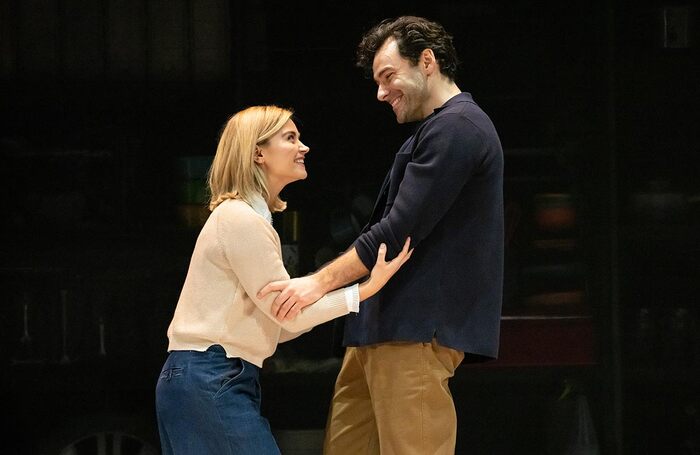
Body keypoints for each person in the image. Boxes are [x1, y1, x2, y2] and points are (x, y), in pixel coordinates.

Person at [259, 16, 504, 454]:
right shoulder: (436, 130)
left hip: (415, 329)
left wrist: (316, 283)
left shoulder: (458, 128)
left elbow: (396, 231)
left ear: (427, 61)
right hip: (379, 328)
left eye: (389, 76)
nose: (380, 92)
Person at [155, 105, 412, 455]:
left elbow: (282, 325)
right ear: (258, 153)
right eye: (290, 138)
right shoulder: (241, 219)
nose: (303, 147)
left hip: (208, 375)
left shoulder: (246, 219)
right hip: (211, 374)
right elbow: (287, 315)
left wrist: (334, 297)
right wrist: (363, 290)